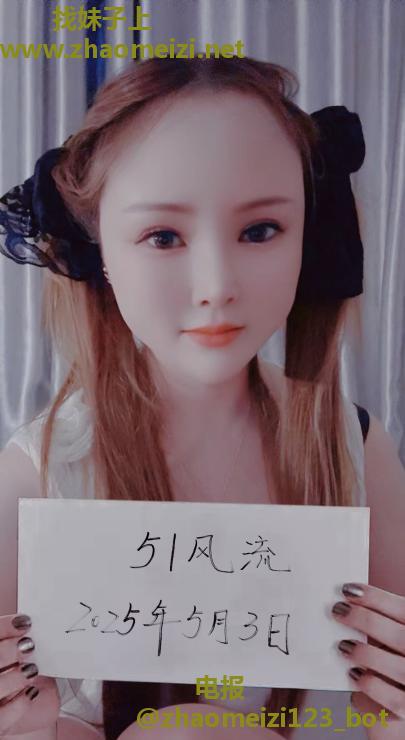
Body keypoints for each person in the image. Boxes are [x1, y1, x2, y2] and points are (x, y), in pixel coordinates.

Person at [0, 55, 404, 740]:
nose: (215, 285)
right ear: (99, 251)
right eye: (163, 236)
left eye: (259, 230)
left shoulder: (355, 448)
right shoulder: (38, 473)